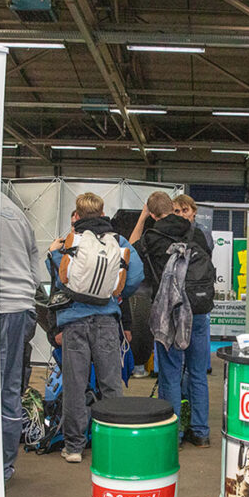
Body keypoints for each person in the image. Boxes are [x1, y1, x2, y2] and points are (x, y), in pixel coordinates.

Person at [48, 192, 143, 463]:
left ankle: (74, 447)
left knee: (75, 385)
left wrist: (53, 254)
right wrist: (115, 294)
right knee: (111, 384)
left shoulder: (70, 240)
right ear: (103, 214)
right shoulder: (118, 240)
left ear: (77, 215)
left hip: (74, 322)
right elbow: (136, 275)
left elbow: (60, 281)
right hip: (106, 320)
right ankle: (114, 443)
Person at [130, 191, 212, 448]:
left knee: (171, 374)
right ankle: (201, 433)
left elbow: (129, 251)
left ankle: (172, 435)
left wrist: (142, 218)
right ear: (172, 207)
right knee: (198, 373)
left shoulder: (152, 237)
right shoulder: (195, 233)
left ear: (153, 214)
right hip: (198, 310)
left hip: (171, 313)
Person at [0, 192, 39, 482]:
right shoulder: (17, 212)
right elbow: (35, 267)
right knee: (10, 387)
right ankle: (5, 464)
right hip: (22, 305)